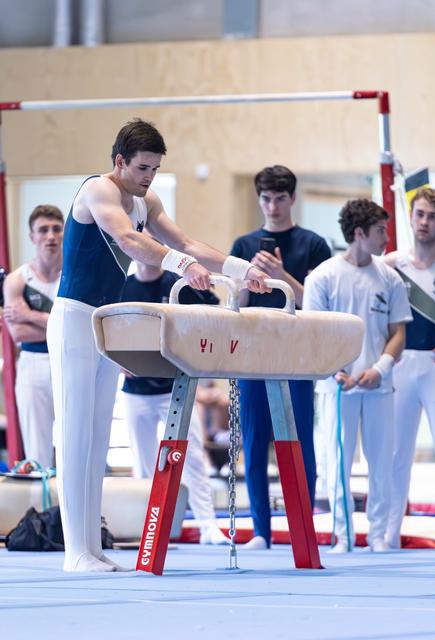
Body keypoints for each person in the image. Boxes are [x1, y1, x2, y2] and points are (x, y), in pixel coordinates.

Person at [47, 118, 269, 572]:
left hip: (107, 322)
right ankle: (74, 552)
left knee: (96, 438)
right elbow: (128, 239)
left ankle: (91, 547)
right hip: (73, 317)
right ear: (119, 161)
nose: (148, 176)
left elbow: (185, 241)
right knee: (75, 433)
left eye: (155, 168)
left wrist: (240, 270)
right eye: (142, 167)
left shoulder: (146, 200)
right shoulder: (98, 191)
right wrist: (182, 265)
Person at [230, 165, 331, 550]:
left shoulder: (313, 244)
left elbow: (317, 305)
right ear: (259, 199)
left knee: (300, 443)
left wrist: (282, 275)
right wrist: (247, 280)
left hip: (295, 357)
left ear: (292, 199)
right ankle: (261, 530)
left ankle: (301, 526)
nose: (272, 206)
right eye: (266, 199)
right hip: (253, 355)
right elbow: (232, 307)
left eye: (279, 199)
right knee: (254, 444)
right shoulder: (243, 246)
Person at [303, 198, 412, 553]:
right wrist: (335, 371)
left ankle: (378, 535)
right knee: (338, 465)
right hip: (337, 386)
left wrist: (379, 369)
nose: (386, 237)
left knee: (382, 464)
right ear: (360, 233)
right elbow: (313, 333)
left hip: (379, 386)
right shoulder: (323, 277)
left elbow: (398, 332)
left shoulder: (389, 278)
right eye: (381, 231)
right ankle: (343, 535)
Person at [120, 259, 228, 545]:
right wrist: (116, 360)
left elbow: (215, 312)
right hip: (136, 388)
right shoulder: (124, 285)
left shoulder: (178, 284)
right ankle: (148, 528)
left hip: (175, 386)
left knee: (191, 457)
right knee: (143, 464)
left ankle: (208, 526)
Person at [384, 187, 435, 548]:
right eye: (420, 214)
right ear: (410, 216)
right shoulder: (390, 265)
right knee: (396, 451)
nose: (424, 222)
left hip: (433, 367)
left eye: (432, 216)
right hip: (402, 364)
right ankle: (388, 531)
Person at [3, 205, 64, 467]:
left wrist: (29, 315)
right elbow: (18, 333)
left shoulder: (75, 276)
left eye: (56, 229)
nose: (50, 236)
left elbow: (81, 327)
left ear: (64, 233)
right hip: (32, 364)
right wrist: (60, 326)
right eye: (43, 230)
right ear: (32, 236)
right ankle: (41, 506)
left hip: (67, 361)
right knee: (36, 450)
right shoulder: (17, 280)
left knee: (70, 443)